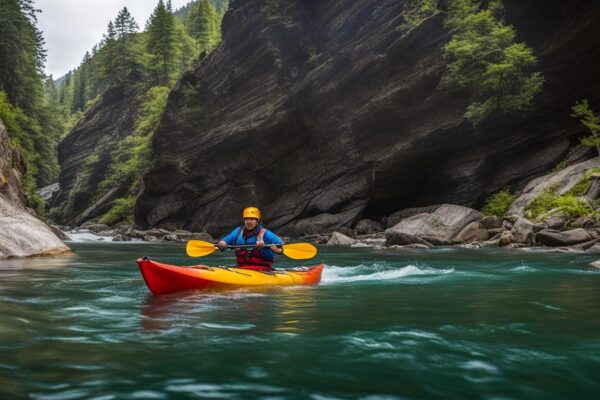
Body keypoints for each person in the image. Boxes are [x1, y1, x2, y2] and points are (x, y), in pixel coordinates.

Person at [218, 206, 283, 271]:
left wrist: (277, 250)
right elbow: (225, 240)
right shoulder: (238, 231)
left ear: (257, 221)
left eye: (252, 219)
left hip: (262, 269)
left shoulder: (266, 233)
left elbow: (281, 247)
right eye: (246, 219)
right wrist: (222, 243)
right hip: (241, 267)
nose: (249, 222)